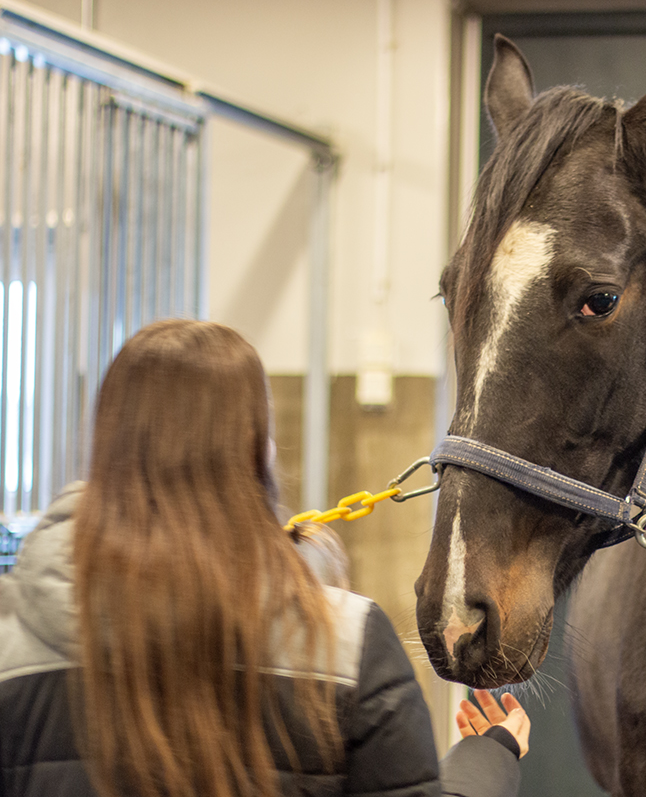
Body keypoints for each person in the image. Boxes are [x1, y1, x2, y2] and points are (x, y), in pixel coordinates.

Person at [0, 319, 530, 797]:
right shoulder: (346, 643)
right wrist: (488, 756)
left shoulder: (12, 644)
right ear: (258, 450)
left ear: (106, 443)